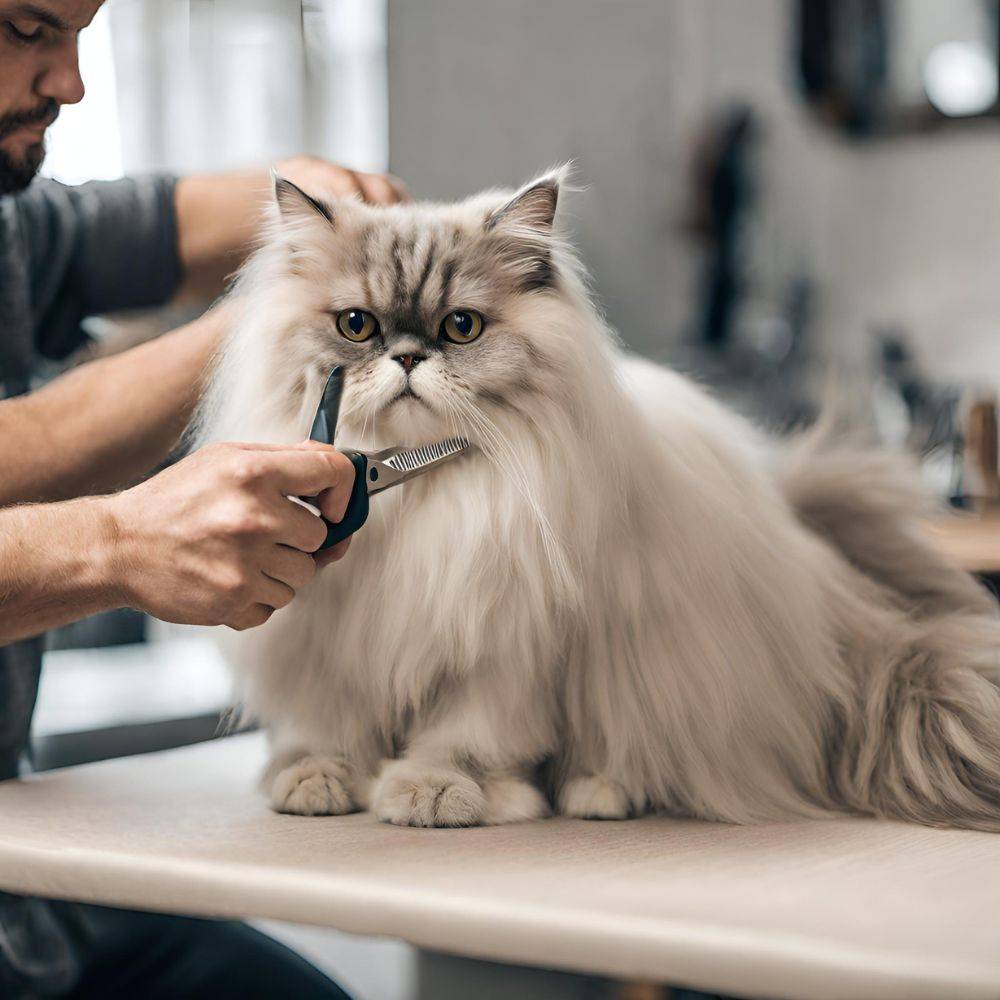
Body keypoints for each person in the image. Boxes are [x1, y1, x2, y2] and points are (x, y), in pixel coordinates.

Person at [0, 1, 406, 995]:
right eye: (24, 29)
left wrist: (317, 199)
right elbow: (33, 445)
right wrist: (113, 547)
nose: (71, 82)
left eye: (80, 35)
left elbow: (143, 224)